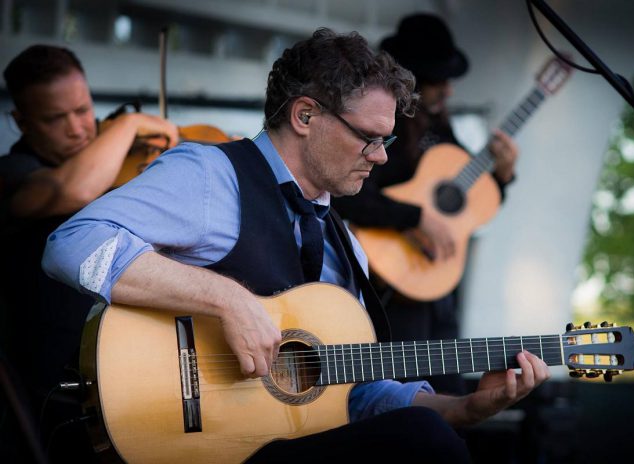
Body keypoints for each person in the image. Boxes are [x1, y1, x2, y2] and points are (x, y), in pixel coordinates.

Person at [42, 28, 548, 462]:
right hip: (187, 442)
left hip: (281, 445)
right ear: (306, 116)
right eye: (369, 138)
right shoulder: (212, 175)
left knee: (433, 433)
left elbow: (357, 393)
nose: (381, 158)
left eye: (387, 141)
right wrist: (226, 298)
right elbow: (72, 243)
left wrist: (462, 409)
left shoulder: (347, 245)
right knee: (426, 443)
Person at [0, 44, 179, 461]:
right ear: (21, 122)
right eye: (54, 119)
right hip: (61, 382)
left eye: (83, 110)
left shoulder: (116, 159)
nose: (78, 129)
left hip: (137, 362)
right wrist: (131, 122)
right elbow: (73, 189)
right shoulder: (12, 175)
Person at [332, 13, 520, 396]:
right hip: (393, 278)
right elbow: (349, 196)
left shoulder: (439, 128)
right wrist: (417, 218)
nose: (448, 90)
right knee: (405, 391)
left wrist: (502, 175)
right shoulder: (382, 126)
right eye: (439, 80)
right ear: (415, 77)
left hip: (437, 280)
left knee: (447, 390)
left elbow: (470, 200)